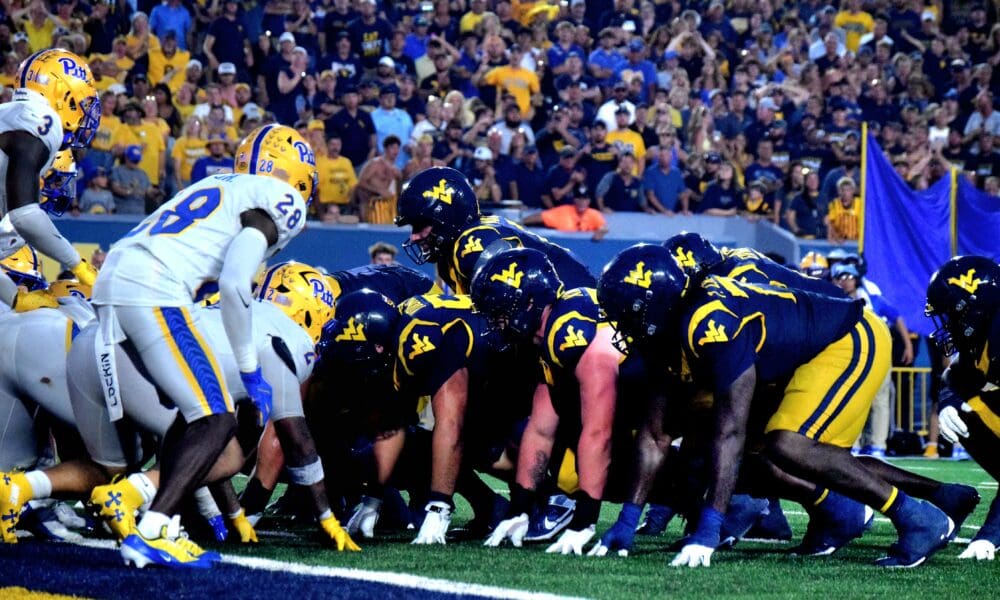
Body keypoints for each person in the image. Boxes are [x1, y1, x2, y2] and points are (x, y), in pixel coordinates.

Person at [597, 243, 954, 568]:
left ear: (655, 304)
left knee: (790, 443)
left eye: (626, 314)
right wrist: (627, 518)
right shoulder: (667, 334)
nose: (621, 326)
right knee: (765, 454)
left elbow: (730, 431)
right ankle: (842, 512)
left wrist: (709, 528)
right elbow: (655, 435)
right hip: (798, 354)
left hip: (846, 336)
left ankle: (917, 516)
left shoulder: (709, 322)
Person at [84, 124, 333, 568]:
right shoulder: (281, 199)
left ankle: (162, 523)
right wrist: (249, 368)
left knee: (195, 411)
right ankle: (155, 529)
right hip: (154, 288)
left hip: (115, 281)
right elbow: (236, 283)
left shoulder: (217, 182)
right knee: (216, 418)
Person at [475, 248, 628, 554]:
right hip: (626, 415)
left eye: (501, 311)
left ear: (529, 303)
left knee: (622, 466)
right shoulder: (549, 334)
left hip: (662, 418)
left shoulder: (568, 330)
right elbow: (540, 429)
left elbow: (599, 432)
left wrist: (585, 520)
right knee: (553, 457)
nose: (497, 322)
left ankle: (722, 502)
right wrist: (520, 507)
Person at [0, 49, 101, 312]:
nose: (84, 115)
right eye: (82, 104)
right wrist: (77, 264)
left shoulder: (9, 113)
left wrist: (14, 297)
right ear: (64, 95)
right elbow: (25, 215)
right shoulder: (43, 119)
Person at [395, 166, 594, 295]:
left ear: (447, 216)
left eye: (421, 226)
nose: (414, 236)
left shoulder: (475, 243)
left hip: (579, 322)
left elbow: (505, 319)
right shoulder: (456, 251)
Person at [926, 256, 1000, 560]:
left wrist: (990, 535)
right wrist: (948, 402)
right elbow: (953, 376)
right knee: (963, 413)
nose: (948, 323)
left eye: (951, 313)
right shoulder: (985, 334)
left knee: (975, 408)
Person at [522, 185, 608, 241]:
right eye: (579, 198)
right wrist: (518, 224)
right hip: (565, 245)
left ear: (589, 201)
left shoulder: (594, 214)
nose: (582, 202)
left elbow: (603, 227)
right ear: (574, 200)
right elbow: (539, 217)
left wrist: (601, 232)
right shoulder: (563, 211)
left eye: (585, 199)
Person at [110, 145, 153, 215]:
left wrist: (155, 193)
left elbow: (149, 191)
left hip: (139, 211)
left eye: (137, 161)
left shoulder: (143, 173)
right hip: (122, 211)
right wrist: (130, 192)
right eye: (133, 160)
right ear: (126, 158)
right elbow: (115, 188)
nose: (135, 163)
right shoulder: (117, 171)